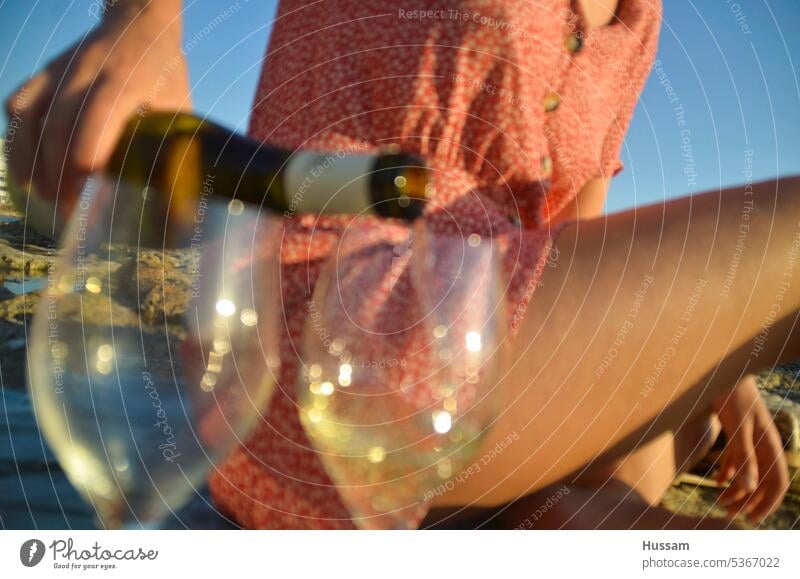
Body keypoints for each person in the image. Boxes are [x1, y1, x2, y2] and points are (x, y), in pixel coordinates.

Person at [5, 0, 791, 529]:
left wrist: (724, 362)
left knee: (659, 451)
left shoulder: (637, 19)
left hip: (481, 362)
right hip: (326, 345)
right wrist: (140, 23)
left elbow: (572, 235)